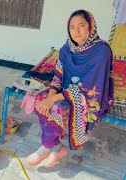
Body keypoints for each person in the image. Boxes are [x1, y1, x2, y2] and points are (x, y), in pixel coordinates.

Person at [26, 9, 114, 168]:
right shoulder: (67, 49)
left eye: (81, 25)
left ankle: (47, 147)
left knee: (56, 108)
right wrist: (49, 96)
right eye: (72, 27)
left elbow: (89, 87)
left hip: (89, 96)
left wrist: (53, 99)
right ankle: (56, 148)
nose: (76, 31)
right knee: (39, 100)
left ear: (91, 27)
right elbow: (58, 76)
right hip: (67, 91)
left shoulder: (102, 51)